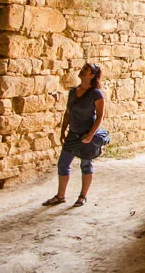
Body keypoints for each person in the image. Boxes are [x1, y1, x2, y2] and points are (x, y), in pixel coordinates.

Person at [43, 62, 106, 207]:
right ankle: (60, 196)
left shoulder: (95, 93)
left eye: (86, 69)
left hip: (85, 134)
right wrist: (63, 129)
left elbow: (100, 116)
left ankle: (82, 196)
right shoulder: (73, 91)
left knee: (86, 164)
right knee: (63, 164)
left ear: (92, 75)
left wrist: (90, 135)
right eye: (83, 67)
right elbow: (68, 112)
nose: (82, 70)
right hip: (73, 133)